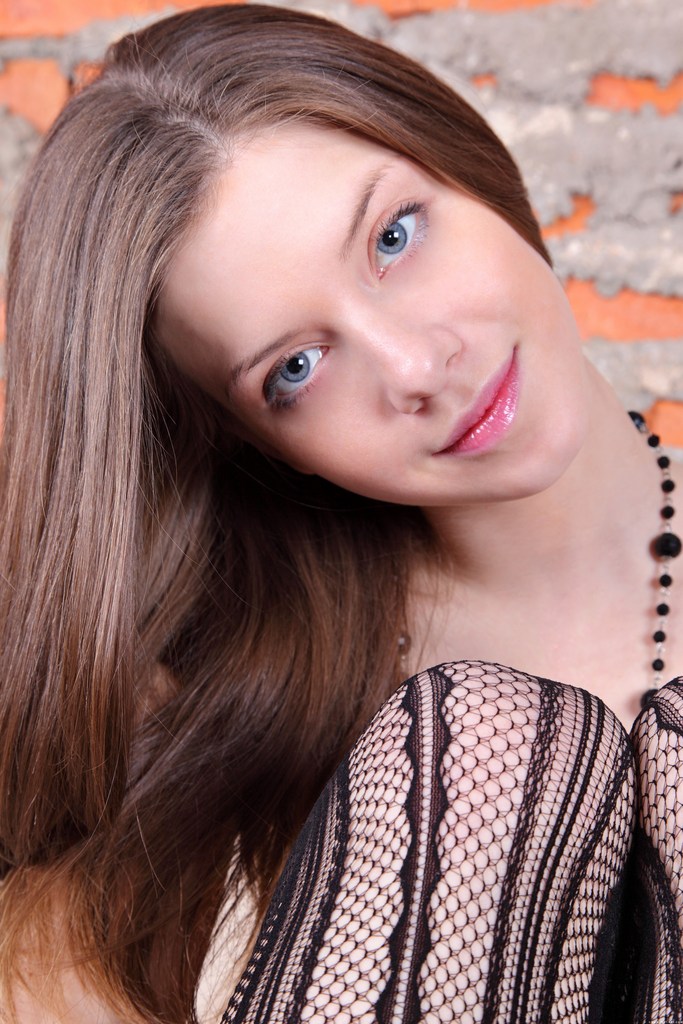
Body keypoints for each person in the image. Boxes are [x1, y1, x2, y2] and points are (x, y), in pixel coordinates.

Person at [0, 4, 681, 1022]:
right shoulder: (200, 759)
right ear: (250, 440)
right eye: (297, 367)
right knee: (477, 747)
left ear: (464, 162)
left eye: (393, 237)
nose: (417, 367)